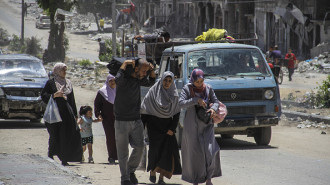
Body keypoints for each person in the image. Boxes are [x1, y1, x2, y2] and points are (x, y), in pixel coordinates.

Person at [114, 59, 156, 185]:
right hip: (121, 120)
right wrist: (125, 64)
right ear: (135, 69)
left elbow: (151, 82)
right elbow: (117, 80)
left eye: (146, 71)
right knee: (123, 152)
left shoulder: (139, 79)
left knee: (140, 147)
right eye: (143, 71)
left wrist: (152, 70)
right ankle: (125, 178)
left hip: (136, 119)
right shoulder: (123, 78)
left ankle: (130, 171)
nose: (145, 74)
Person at [179, 69, 222, 185]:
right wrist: (195, 100)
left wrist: (213, 109)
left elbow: (216, 101)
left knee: (210, 151)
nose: (200, 83)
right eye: (197, 81)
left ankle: (209, 178)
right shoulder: (187, 89)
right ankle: (195, 179)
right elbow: (181, 103)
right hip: (191, 125)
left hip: (207, 124)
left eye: (201, 81)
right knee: (195, 153)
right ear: (193, 80)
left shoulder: (208, 88)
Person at [140, 71, 182, 184]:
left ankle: (161, 178)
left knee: (166, 153)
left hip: (167, 128)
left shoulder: (174, 95)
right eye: (165, 80)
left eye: (169, 81)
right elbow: (144, 110)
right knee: (154, 151)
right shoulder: (153, 92)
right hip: (153, 127)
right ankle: (152, 171)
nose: (167, 83)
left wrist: (172, 129)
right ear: (161, 79)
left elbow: (177, 113)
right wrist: (141, 128)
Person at [41, 62, 82, 166]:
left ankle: (64, 159)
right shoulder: (51, 83)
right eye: (63, 70)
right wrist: (54, 95)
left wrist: (75, 114)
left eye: (65, 70)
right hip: (54, 114)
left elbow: (72, 100)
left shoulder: (68, 83)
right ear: (57, 71)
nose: (65, 72)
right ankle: (50, 155)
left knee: (66, 136)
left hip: (66, 115)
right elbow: (43, 95)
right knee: (54, 135)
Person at [94, 74, 118, 164]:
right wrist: (98, 114)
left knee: (120, 137)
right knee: (110, 137)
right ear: (107, 82)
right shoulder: (102, 92)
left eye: (114, 80)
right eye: (110, 81)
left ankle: (120, 156)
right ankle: (111, 156)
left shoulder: (119, 91)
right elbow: (97, 104)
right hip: (107, 119)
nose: (112, 82)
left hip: (119, 119)